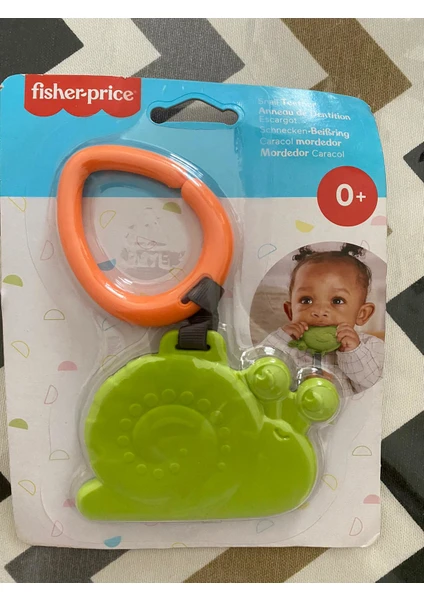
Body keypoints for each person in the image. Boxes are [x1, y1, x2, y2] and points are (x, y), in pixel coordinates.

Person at [262, 244, 384, 396]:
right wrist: (280, 339)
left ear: (362, 314)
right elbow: (260, 372)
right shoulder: (287, 343)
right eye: (306, 300)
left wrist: (353, 351)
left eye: (337, 301)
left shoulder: (371, 346)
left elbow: (372, 385)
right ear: (290, 311)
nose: (319, 311)